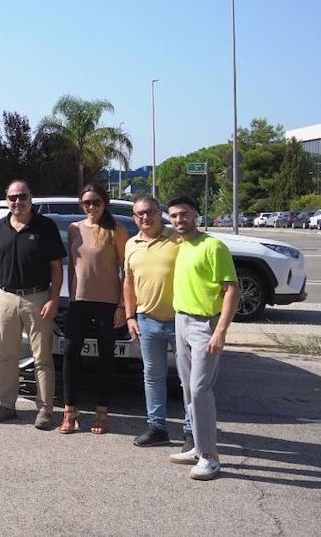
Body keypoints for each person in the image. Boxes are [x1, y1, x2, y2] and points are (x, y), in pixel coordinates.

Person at [166, 195, 238, 481]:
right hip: (181, 319)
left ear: (196, 214)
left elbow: (232, 289)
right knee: (186, 388)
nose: (178, 220)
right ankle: (197, 447)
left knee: (199, 390)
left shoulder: (214, 246)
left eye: (183, 214)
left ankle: (210, 456)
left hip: (204, 325)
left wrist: (220, 330)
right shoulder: (182, 245)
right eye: (173, 216)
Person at [0, 180, 65, 428]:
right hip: (6, 298)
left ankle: (45, 410)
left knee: (42, 358)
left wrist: (53, 298)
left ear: (31, 198)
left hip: (38, 298)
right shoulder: (0, 226)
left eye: (22, 196)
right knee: (7, 356)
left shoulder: (45, 227)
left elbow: (56, 267)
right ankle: (7, 405)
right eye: (12, 197)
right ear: (7, 200)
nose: (17, 201)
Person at [59, 184, 129, 434]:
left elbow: (125, 270)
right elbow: (74, 265)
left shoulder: (116, 230)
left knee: (105, 358)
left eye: (96, 202)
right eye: (87, 202)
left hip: (108, 303)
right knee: (70, 353)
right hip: (79, 301)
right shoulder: (74, 228)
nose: (91, 207)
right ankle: (70, 412)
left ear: (105, 203)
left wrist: (122, 305)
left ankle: (102, 412)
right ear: (81, 204)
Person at [123, 195, 192, 449]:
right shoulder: (132, 244)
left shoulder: (178, 239)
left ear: (159, 213)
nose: (144, 217)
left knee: (188, 378)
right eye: (139, 214)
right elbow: (128, 283)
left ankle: (191, 431)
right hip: (146, 321)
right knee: (152, 376)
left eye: (149, 212)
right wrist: (130, 315)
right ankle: (157, 427)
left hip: (180, 321)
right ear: (134, 217)